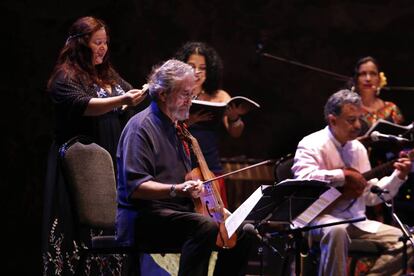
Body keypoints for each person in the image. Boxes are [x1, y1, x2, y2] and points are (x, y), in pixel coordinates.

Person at [116, 59, 251, 276]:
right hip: (144, 218)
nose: (191, 101)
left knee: (246, 232)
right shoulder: (140, 128)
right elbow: (136, 187)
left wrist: (217, 208)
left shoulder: (179, 130)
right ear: (162, 94)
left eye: (192, 95)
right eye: (185, 95)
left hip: (179, 213)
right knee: (204, 227)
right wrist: (177, 189)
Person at [41, 16, 147, 275]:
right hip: (81, 164)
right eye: (97, 42)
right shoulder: (65, 77)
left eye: (105, 42)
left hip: (110, 159)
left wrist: (144, 94)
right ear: (80, 44)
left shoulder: (108, 76)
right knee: (79, 231)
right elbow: (84, 105)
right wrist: (122, 100)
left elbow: (128, 98)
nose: (103, 48)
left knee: (113, 237)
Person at [291, 89, 412, 276]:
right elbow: (304, 179)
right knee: (337, 231)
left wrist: (398, 176)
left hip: (356, 221)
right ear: (332, 120)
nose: (358, 126)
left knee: (410, 241)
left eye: (359, 119)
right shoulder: (311, 143)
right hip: (318, 218)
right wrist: (342, 175)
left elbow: (371, 196)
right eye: (351, 120)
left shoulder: (358, 149)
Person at [174, 42, 250, 207]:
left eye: (203, 67)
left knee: (214, 219)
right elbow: (164, 128)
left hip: (210, 167)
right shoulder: (176, 94)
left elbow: (235, 133)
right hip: (181, 166)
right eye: (191, 66)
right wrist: (190, 121)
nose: (197, 72)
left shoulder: (219, 96)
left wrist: (234, 118)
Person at [350, 56, 404, 135]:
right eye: (363, 74)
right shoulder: (349, 109)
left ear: (379, 79)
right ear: (356, 79)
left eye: (373, 74)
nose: (368, 79)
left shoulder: (391, 109)